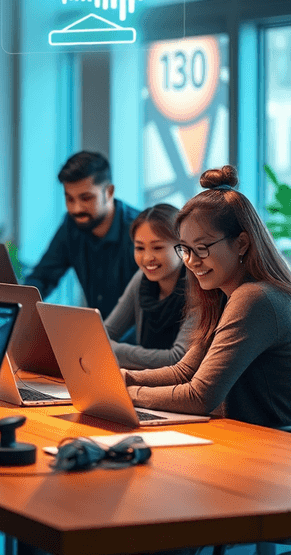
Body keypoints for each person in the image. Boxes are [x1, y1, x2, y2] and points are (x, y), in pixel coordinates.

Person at [125, 166, 291, 428]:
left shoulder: (255, 298)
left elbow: (199, 396)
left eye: (201, 249)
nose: (191, 262)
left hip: (271, 447)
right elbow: (185, 371)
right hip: (243, 438)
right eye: (185, 249)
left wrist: (127, 395)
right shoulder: (223, 293)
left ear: (242, 243)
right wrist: (123, 378)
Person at [24, 151, 140, 318]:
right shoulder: (72, 225)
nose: (76, 209)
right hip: (98, 334)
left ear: (109, 192)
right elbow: (43, 277)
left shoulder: (138, 231)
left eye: (86, 198)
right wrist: (20, 304)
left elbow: (152, 309)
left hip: (137, 341)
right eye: (69, 199)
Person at [104, 204, 194, 370]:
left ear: (182, 247)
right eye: (139, 248)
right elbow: (106, 332)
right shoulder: (141, 279)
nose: (147, 258)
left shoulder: (199, 288)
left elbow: (178, 359)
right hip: (145, 383)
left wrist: (113, 350)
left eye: (157, 247)